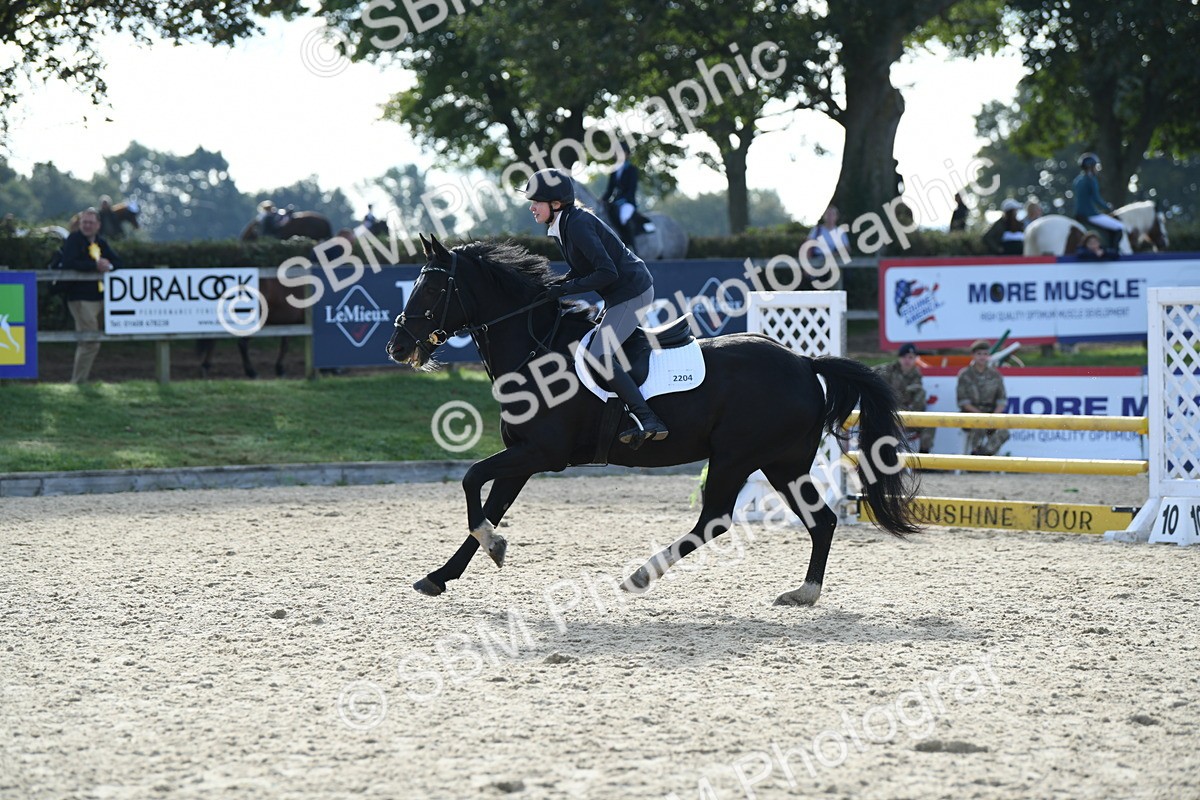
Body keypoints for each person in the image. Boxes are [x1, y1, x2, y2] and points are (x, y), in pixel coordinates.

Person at [525, 167, 665, 448]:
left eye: (536, 202)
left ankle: (648, 419)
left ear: (555, 203)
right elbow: (580, 270)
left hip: (631, 292)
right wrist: (550, 287)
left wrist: (563, 289)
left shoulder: (576, 224)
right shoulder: (564, 224)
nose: (531, 208)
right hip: (619, 294)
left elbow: (607, 272)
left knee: (599, 354)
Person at [60, 208, 121, 383]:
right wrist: (94, 266)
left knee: (90, 341)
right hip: (80, 298)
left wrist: (108, 265)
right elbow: (69, 263)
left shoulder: (101, 242)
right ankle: (78, 382)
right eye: (84, 222)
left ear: (98, 225)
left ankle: (81, 380)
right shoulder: (73, 240)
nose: (87, 225)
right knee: (90, 341)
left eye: (90, 223)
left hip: (100, 297)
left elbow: (118, 262)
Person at [875, 343, 934, 453]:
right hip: (889, 412)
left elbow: (917, 396)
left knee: (929, 423)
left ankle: (924, 456)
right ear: (900, 357)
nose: (907, 360)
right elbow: (870, 374)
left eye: (911, 357)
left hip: (910, 413)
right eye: (904, 357)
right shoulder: (888, 370)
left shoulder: (916, 374)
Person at [956, 339, 1009, 456]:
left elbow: (1002, 400)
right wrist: (981, 414)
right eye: (979, 354)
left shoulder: (995, 375)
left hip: (991, 414)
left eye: (985, 354)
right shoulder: (965, 375)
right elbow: (963, 402)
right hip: (971, 415)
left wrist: (994, 415)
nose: (982, 357)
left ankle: (982, 455)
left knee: (1004, 432)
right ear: (973, 355)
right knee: (979, 425)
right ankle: (976, 455)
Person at [1072, 153, 1125, 250]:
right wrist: (1108, 207)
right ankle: (1113, 250)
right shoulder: (1091, 180)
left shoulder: (1077, 180)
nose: (1096, 169)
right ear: (1090, 166)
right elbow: (1096, 199)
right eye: (1095, 166)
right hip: (1090, 214)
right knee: (1119, 227)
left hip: (1078, 214)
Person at [602, 142, 640, 250]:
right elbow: (610, 190)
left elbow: (631, 189)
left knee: (623, 218)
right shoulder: (614, 171)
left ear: (627, 154)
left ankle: (632, 247)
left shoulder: (632, 170)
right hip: (616, 202)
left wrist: (620, 201)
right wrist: (602, 200)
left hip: (628, 202)